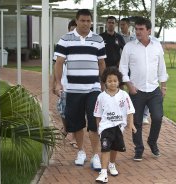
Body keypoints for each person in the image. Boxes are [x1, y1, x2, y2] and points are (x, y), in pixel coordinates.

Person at [54, 9, 106, 171]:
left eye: (88, 21)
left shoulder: (98, 40)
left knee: (94, 123)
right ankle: (81, 152)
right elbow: (59, 62)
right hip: (73, 89)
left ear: (91, 22)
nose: (85, 23)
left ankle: (96, 156)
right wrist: (57, 83)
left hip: (93, 89)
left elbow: (102, 64)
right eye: (82, 20)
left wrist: (103, 86)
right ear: (76, 21)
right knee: (76, 123)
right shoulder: (65, 39)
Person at [119, 17, 168, 161]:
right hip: (136, 90)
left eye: (141, 29)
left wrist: (163, 85)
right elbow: (122, 67)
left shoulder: (157, 46)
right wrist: (129, 85)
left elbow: (161, 66)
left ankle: (152, 142)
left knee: (158, 117)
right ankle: (138, 149)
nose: (138, 32)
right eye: (136, 29)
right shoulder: (129, 47)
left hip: (154, 90)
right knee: (136, 121)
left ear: (149, 30)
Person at [94, 67, 137, 183]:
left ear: (119, 82)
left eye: (115, 80)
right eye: (109, 81)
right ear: (105, 82)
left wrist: (131, 124)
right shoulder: (101, 97)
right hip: (105, 127)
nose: (112, 83)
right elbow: (97, 114)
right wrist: (99, 128)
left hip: (118, 127)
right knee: (105, 147)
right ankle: (103, 173)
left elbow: (130, 110)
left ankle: (111, 165)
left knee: (114, 147)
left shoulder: (124, 95)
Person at [119, 18, 150, 125]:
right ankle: (128, 115)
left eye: (124, 25)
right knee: (126, 92)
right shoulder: (119, 37)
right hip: (124, 67)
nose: (138, 31)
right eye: (137, 29)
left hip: (135, 69)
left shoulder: (134, 38)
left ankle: (144, 115)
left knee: (145, 89)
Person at [53, 19, 78, 149]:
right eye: (72, 29)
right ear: (68, 29)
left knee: (74, 111)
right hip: (64, 84)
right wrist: (55, 83)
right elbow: (56, 65)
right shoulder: (62, 44)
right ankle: (66, 128)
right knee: (62, 110)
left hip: (76, 86)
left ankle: (74, 136)